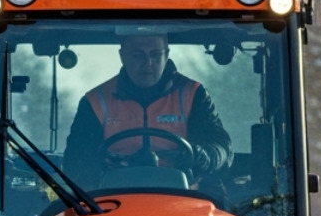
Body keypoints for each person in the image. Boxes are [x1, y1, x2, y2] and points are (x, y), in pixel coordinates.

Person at [62, 33, 231, 185]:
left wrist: (203, 156)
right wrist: (102, 166)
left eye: (156, 55)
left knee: (221, 203)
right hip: (112, 201)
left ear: (167, 55)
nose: (148, 63)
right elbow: (76, 163)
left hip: (185, 199)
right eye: (138, 55)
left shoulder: (193, 94)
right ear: (122, 56)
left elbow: (222, 148)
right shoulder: (95, 101)